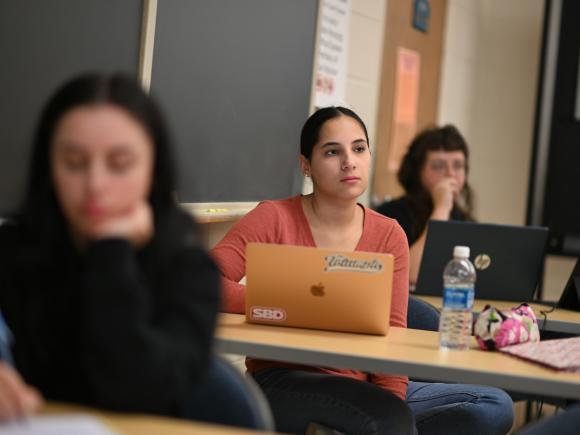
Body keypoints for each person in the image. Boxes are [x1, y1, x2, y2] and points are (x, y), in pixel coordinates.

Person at [212, 107, 514, 435]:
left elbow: (393, 335)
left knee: (492, 406)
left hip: (365, 381)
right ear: (306, 165)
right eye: (332, 152)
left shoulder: (389, 233)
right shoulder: (273, 217)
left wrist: (393, 401)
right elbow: (203, 282)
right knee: (385, 420)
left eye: (358, 149)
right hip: (285, 381)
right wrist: (285, 302)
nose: (349, 162)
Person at [0, 73, 223, 423]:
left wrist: (111, 250)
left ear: (153, 169)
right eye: (73, 163)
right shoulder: (13, 249)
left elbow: (134, 390)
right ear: (49, 167)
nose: (95, 185)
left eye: (120, 165)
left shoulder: (188, 268)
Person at [375, 125, 474, 284]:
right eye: (438, 166)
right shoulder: (391, 214)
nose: (450, 174)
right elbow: (411, 274)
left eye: (457, 166)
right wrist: (441, 208)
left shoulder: (465, 220)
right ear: (418, 171)